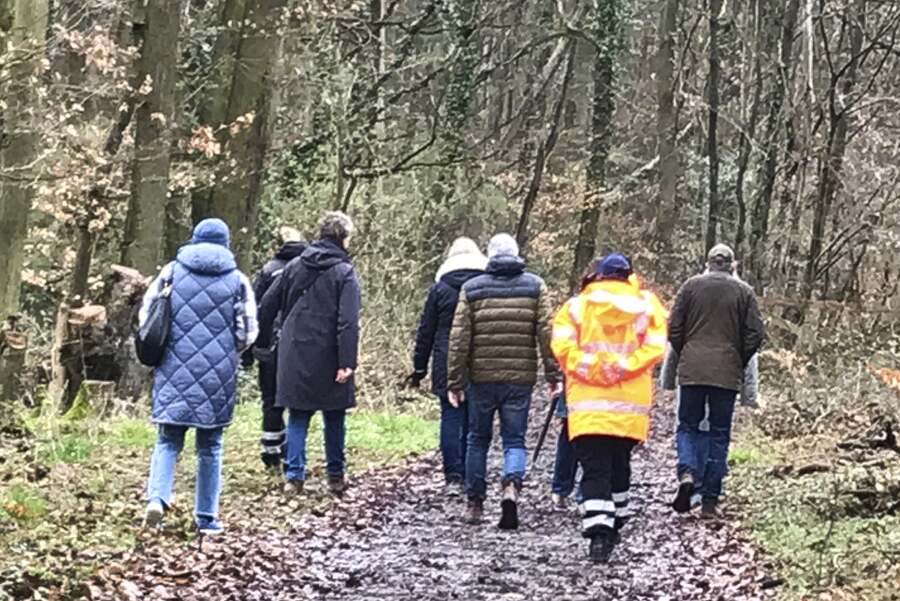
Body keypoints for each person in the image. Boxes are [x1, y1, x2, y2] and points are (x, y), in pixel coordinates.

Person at [141, 218, 258, 535]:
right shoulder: (238, 280)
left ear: (194, 240)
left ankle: (157, 499)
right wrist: (227, 350)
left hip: (173, 367)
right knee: (210, 446)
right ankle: (206, 517)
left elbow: (147, 315)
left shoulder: (171, 271)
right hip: (217, 374)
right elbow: (248, 331)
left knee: (167, 440)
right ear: (226, 243)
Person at [551, 253, 668, 563]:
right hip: (630, 406)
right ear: (629, 276)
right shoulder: (647, 306)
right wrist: (623, 366)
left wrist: (591, 367)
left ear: (598, 276)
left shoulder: (576, 307)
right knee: (619, 464)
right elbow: (656, 347)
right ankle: (615, 518)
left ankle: (599, 530)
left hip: (588, 405)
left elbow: (561, 347)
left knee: (594, 467)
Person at [446, 233, 561, 530]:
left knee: (477, 439)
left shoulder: (472, 288)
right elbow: (547, 334)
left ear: (489, 256)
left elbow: (459, 339)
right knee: (514, 439)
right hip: (519, 378)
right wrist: (553, 374)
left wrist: (454, 381)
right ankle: (511, 486)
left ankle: (474, 502)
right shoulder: (535, 286)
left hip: (480, 378)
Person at [258, 212, 361, 497]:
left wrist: (264, 342)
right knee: (334, 416)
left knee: (298, 414)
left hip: (295, 351)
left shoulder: (294, 266)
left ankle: (294, 476)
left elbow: (267, 305)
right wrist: (346, 361)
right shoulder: (345, 272)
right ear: (343, 238)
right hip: (330, 352)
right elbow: (348, 321)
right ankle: (336, 476)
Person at [668, 244, 764, 518]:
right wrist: (737, 356)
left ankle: (687, 472)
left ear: (708, 262)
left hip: (692, 370)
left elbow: (674, 327)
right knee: (719, 434)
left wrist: (687, 349)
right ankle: (710, 500)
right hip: (726, 373)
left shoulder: (690, 287)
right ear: (731, 265)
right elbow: (755, 334)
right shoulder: (744, 292)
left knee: (687, 425)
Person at [407, 238, 487, 495]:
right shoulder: (484, 288)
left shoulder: (440, 288)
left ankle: (453, 475)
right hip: (478, 358)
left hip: (444, 358)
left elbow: (426, 331)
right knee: (473, 418)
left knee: (450, 416)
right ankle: (471, 471)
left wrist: (419, 368)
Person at [244, 226, 306, 471]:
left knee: (271, 400)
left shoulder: (269, 271)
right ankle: (294, 454)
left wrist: (250, 351)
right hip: (302, 345)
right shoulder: (310, 269)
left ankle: (271, 454)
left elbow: (256, 310)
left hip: (269, 344)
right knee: (298, 402)